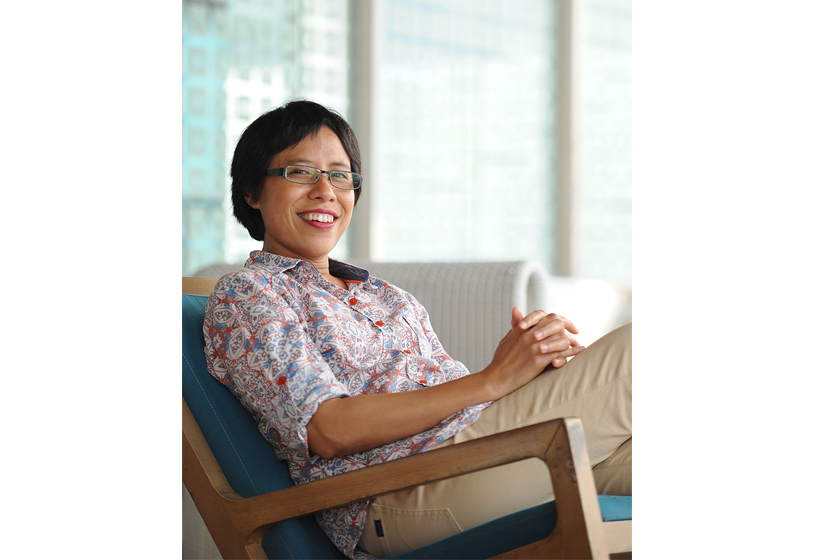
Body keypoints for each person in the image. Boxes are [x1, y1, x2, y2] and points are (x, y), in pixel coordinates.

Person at [203, 99, 631, 559]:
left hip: (487, 454)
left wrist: (534, 369)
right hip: (404, 490)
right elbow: (327, 428)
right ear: (252, 190)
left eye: (341, 175)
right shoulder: (249, 294)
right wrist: (493, 378)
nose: (326, 190)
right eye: (301, 172)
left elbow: (462, 399)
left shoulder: (389, 297)